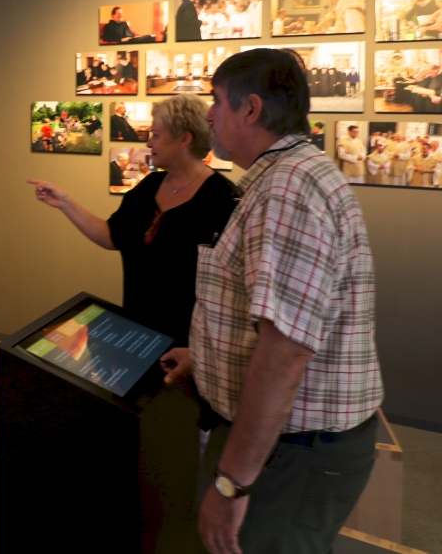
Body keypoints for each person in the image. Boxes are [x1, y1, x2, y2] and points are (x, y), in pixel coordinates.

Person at [160, 48, 381, 554]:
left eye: (217, 101)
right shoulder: (286, 176)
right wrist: (209, 357)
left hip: (294, 448)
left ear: (251, 109)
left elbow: (285, 355)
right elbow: (276, 318)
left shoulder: (286, 191)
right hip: (283, 441)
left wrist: (231, 484)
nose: (210, 114)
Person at [28, 94, 237, 340]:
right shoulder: (149, 186)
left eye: (156, 135)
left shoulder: (223, 198)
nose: (149, 143)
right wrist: (65, 203)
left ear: (184, 139)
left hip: (188, 343)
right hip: (137, 329)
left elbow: (229, 289)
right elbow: (112, 236)